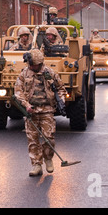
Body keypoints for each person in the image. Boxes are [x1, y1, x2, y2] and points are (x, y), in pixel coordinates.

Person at [14, 48, 67, 176]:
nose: (31, 66)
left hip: (47, 110)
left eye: (34, 65)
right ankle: (36, 165)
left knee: (49, 137)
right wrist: (26, 105)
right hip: (31, 111)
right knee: (33, 140)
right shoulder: (24, 74)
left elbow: (61, 88)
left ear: (40, 63)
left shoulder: (50, 73)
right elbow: (18, 92)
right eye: (30, 64)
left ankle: (48, 158)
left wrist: (61, 99)